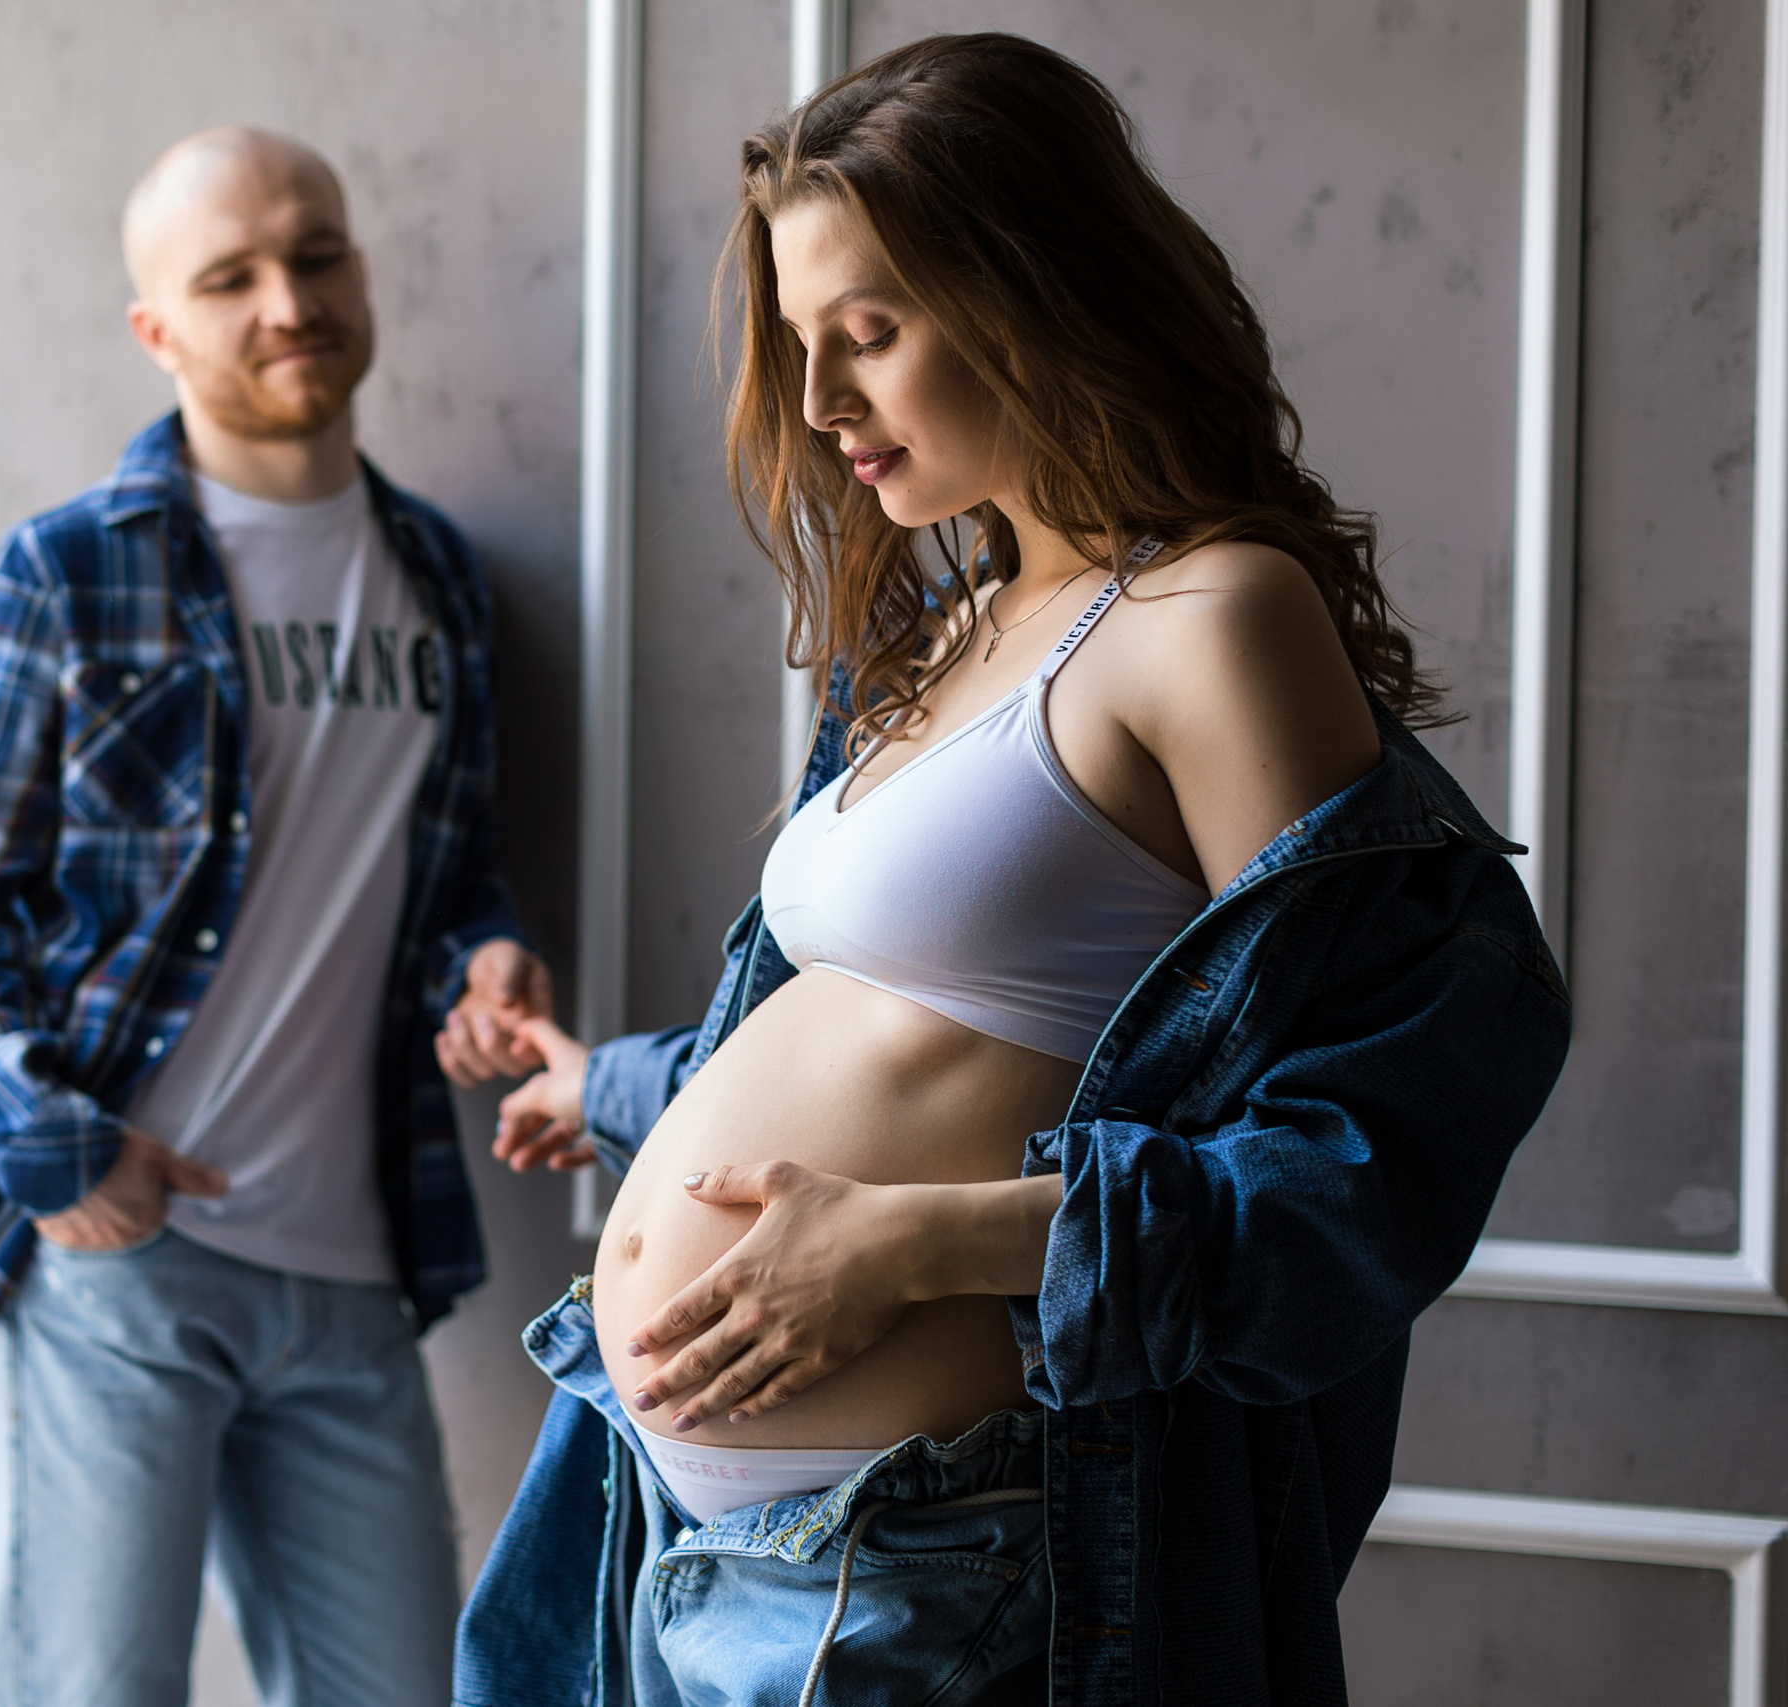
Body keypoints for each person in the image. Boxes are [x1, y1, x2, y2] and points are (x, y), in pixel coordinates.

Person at [457, 35, 1570, 1707]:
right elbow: (887, 1022)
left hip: (934, 1576)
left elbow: (1356, 1159)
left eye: (872, 333)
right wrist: (608, 1087)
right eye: (799, 345)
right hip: (668, 1541)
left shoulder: (1213, 618)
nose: (823, 404)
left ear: (1033, 288)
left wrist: (911, 1251)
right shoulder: (935, 644)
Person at [0, 126, 549, 1707]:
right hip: (120, 1261)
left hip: (352, 1270)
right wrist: (53, 1144)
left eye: (313, 254)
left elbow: (441, 875)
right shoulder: (63, 577)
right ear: (157, 330)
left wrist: (487, 960)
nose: (285, 300)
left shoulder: (438, 580)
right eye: (228, 276)